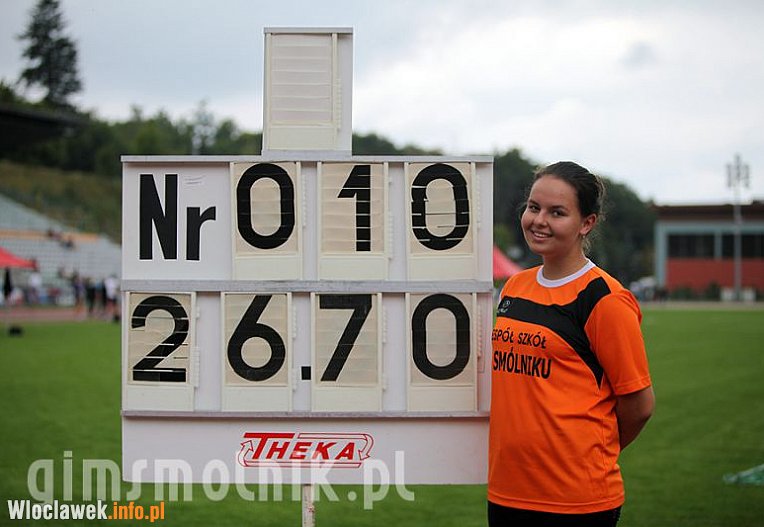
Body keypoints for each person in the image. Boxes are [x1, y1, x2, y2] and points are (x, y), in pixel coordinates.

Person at [489, 161, 655, 527]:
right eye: (534, 207)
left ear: (586, 223)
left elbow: (640, 405)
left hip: (576, 499)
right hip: (508, 491)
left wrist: (587, 453)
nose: (539, 221)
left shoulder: (605, 298)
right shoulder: (515, 286)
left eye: (557, 212)